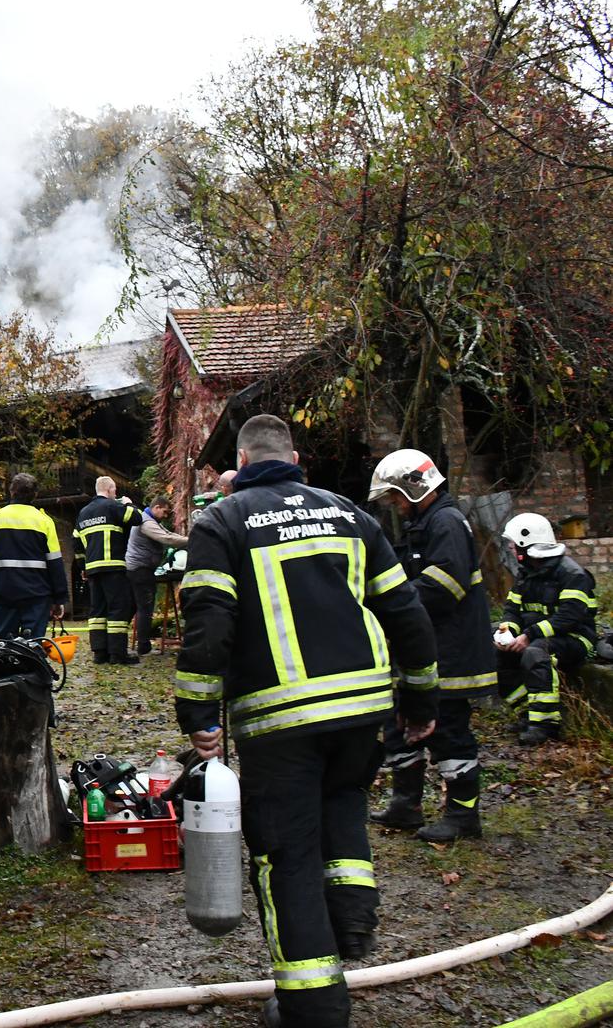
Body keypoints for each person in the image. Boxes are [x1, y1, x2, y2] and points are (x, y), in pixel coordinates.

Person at [175, 415, 438, 1028]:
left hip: (279, 721)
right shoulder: (349, 514)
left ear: (239, 461)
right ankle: (351, 924)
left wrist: (197, 712)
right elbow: (406, 611)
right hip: (360, 712)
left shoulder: (221, 522)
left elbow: (209, 622)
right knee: (342, 808)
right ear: (293, 457)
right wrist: (421, 701)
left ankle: (312, 1005)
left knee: (286, 854)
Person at [367, 449, 496, 841]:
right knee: (399, 723)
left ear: (414, 487)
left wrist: (394, 604)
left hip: (451, 652)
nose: (394, 505)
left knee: (448, 731)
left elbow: (444, 588)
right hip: (424, 648)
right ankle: (406, 805)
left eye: (395, 496)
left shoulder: (446, 523)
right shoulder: (425, 523)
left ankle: (462, 816)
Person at [496, 513, 596, 745]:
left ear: (526, 544)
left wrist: (530, 635)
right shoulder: (525, 575)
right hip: (539, 637)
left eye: (513, 543)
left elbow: (569, 617)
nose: (510, 547)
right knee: (500, 653)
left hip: (576, 638)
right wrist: (507, 632)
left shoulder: (573, 575)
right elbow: (512, 610)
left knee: (536, 652)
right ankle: (527, 715)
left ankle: (546, 724)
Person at [0, 473, 68, 639]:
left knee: (0, 647)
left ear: (12, 492)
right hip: (37, 596)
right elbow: (55, 563)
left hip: (2, 593)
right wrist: (59, 598)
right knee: (32, 646)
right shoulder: (44, 521)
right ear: (35, 495)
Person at [76, 476, 143, 664]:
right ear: (110, 489)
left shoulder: (83, 513)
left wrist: (83, 567)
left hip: (93, 570)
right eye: (114, 491)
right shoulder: (113, 507)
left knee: (97, 611)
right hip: (113, 567)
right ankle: (117, 654)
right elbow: (137, 518)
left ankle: (99, 653)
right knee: (118, 610)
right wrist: (130, 504)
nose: (115, 494)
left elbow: (76, 543)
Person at [125, 496, 189, 658]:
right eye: (165, 511)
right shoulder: (146, 522)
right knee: (145, 608)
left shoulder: (152, 521)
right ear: (157, 507)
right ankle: (144, 647)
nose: (166, 516)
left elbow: (168, 533)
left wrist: (186, 539)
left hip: (139, 569)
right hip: (140, 570)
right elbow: (166, 538)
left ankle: (116, 642)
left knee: (132, 607)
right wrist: (193, 540)